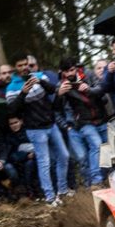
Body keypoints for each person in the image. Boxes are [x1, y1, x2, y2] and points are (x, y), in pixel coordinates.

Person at [5, 52, 70, 207]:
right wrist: (23, 93)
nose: (23, 68)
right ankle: (49, 197)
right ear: (15, 68)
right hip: (35, 130)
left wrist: (39, 81)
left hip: (51, 125)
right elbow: (12, 110)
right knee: (44, 163)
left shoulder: (40, 76)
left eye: (25, 64)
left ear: (29, 64)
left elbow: (53, 90)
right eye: (19, 66)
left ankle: (62, 190)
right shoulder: (11, 87)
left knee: (64, 156)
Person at [56, 57, 107, 189]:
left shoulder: (89, 74)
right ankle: (89, 183)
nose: (69, 74)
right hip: (79, 123)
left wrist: (88, 89)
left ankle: (98, 180)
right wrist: (59, 94)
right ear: (62, 72)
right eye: (66, 72)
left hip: (98, 118)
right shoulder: (61, 85)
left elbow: (101, 90)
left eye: (72, 70)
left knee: (100, 148)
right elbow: (55, 109)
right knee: (83, 156)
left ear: (76, 67)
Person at [4, 115, 39, 199]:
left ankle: (31, 191)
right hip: (15, 162)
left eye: (15, 122)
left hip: (31, 161)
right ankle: (18, 192)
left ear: (21, 121)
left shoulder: (29, 132)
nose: (14, 125)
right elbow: (10, 155)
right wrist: (26, 155)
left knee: (30, 164)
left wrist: (33, 154)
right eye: (11, 124)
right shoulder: (8, 137)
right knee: (10, 169)